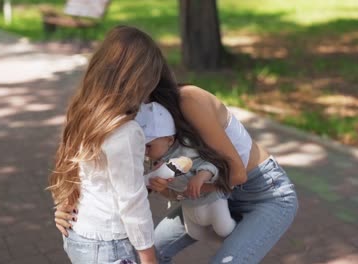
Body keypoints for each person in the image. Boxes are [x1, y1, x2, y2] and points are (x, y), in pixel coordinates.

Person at [55, 31, 298, 264]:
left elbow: (237, 173)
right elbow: (108, 173)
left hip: (263, 192)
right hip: (212, 194)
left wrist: (187, 190)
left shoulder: (188, 100)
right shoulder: (129, 116)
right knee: (153, 252)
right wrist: (69, 209)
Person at [47, 25, 174, 264]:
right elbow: (131, 202)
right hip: (108, 244)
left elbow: (96, 178)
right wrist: (148, 258)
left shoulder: (87, 113)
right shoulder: (126, 131)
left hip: (79, 234)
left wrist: (146, 180)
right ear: (139, 82)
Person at [136, 101, 237, 240]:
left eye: (148, 146)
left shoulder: (186, 150)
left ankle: (239, 234)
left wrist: (201, 176)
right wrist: (161, 187)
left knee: (224, 229)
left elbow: (212, 164)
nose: (145, 152)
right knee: (194, 233)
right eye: (141, 146)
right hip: (188, 204)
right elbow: (172, 193)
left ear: (169, 140)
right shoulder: (152, 161)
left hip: (211, 200)